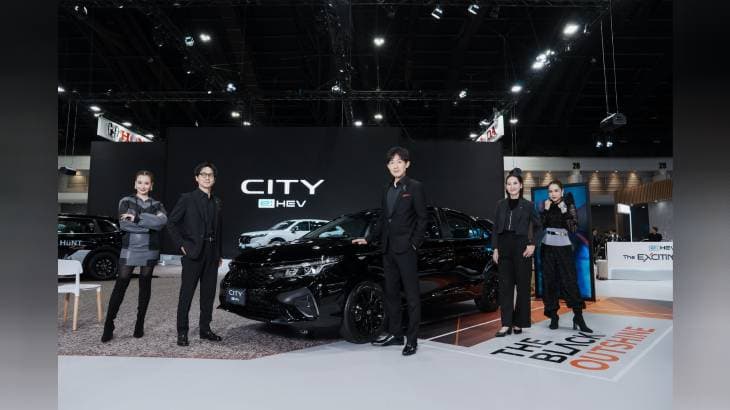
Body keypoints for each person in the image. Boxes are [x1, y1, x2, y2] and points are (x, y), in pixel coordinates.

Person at [352, 146, 428, 356]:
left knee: (411, 296)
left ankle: (412, 340)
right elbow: (383, 220)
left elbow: (423, 218)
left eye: (399, 162)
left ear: (407, 164)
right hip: (388, 249)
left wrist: (414, 244)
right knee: (392, 294)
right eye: (391, 162)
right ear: (388, 166)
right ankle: (396, 334)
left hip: (406, 250)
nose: (395, 166)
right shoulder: (386, 188)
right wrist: (368, 238)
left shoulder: (415, 187)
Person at [102, 170, 167, 342]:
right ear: (135, 184)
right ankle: (109, 324)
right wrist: (150, 226)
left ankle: (139, 324)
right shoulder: (125, 201)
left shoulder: (157, 204)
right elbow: (124, 225)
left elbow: (162, 222)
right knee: (120, 286)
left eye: (146, 183)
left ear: (151, 186)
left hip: (150, 249)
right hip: (130, 248)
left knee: (145, 287)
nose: (143, 186)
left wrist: (137, 218)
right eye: (140, 182)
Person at [167, 162, 224, 347]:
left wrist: (218, 253)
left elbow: (219, 230)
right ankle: (182, 332)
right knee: (186, 294)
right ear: (197, 178)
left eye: (210, 175)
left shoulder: (217, 201)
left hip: (211, 254)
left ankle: (205, 329)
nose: (207, 177)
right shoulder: (187, 199)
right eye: (203, 174)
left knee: (208, 295)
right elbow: (171, 223)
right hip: (193, 253)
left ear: (214, 179)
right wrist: (181, 245)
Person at [492, 168, 542, 337]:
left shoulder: (528, 205)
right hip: (504, 246)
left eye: (515, 183)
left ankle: (519, 322)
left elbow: (539, 227)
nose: (512, 186)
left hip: (522, 247)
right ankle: (506, 324)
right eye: (509, 184)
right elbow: (495, 228)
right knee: (505, 287)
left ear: (521, 186)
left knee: (523, 287)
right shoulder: (500, 204)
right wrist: (495, 248)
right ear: (506, 186)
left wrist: (533, 245)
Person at [540, 180, 592, 333]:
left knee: (570, 281)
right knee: (549, 282)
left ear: (562, 191)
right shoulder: (546, 205)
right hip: (547, 248)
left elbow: (573, 228)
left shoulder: (568, 205)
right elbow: (540, 226)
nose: (553, 194)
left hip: (564, 248)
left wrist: (564, 210)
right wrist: (545, 211)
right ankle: (553, 316)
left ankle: (578, 317)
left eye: (556, 190)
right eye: (550, 191)